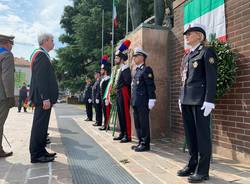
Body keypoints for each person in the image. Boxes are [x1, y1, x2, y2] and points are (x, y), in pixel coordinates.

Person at [177, 24, 217, 183]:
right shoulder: (187, 56)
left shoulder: (206, 52)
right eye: (186, 34)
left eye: (190, 34)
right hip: (187, 100)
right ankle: (192, 164)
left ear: (200, 36)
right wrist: (181, 97)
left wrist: (209, 100)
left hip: (200, 101)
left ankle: (202, 171)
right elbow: (184, 79)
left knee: (202, 136)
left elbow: (211, 78)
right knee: (190, 135)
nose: (186, 36)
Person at [29, 33, 58, 163]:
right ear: (45, 41)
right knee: (39, 126)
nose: (53, 43)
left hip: (44, 99)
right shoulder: (41, 55)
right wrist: (45, 98)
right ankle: (36, 154)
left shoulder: (43, 55)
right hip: (43, 99)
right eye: (52, 40)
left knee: (43, 127)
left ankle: (41, 151)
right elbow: (41, 79)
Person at [131, 47, 156, 152]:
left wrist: (152, 99)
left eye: (136, 56)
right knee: (138, 123)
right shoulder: (137, 71)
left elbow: (150, 85)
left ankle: (145, 144)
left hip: (143, 101)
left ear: (142, 57)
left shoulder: (146, 69)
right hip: (136, 101)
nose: (134, 58)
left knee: (144, 123)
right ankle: (140, 142)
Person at [113, 40, 132, 143]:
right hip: (119, 92)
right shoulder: (119, 69)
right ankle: (122, 133)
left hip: (124, 92)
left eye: (117, 57)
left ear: (121, 58)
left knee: (125, 113)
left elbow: (127, 81)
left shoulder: (125, 68)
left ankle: (128, 135)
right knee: (120, 113)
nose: (115, 59)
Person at [0, 34, 15, 158]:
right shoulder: (7, 55)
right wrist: (10, 97)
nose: (12, 46)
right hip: (2, 96)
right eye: (12, 43)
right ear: (6, 43)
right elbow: (7, 78)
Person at [99, 57, 111, 131]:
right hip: (102, 98)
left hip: (106, 98)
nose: (101, 71)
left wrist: (107, 98)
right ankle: (105, 124)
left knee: (107, 112)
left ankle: (107, 125)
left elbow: (109, 89)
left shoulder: (108, 79)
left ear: (105, 71)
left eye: (102, 70)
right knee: (104, 112)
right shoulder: (103, 79)